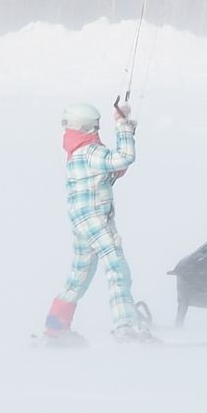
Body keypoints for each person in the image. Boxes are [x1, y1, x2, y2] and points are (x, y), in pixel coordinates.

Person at [44, 99, 149, 343]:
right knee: (117, 269)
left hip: (81, 222)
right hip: (95, 220)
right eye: (96, 127)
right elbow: (124, 158)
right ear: (88, 127)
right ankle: (125, 327)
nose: (98, 131)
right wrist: (123, 126)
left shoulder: (77, 152)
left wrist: (124, 126)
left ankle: (55, 328)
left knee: (79, 275)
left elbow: (113, 169)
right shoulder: (90, 152)